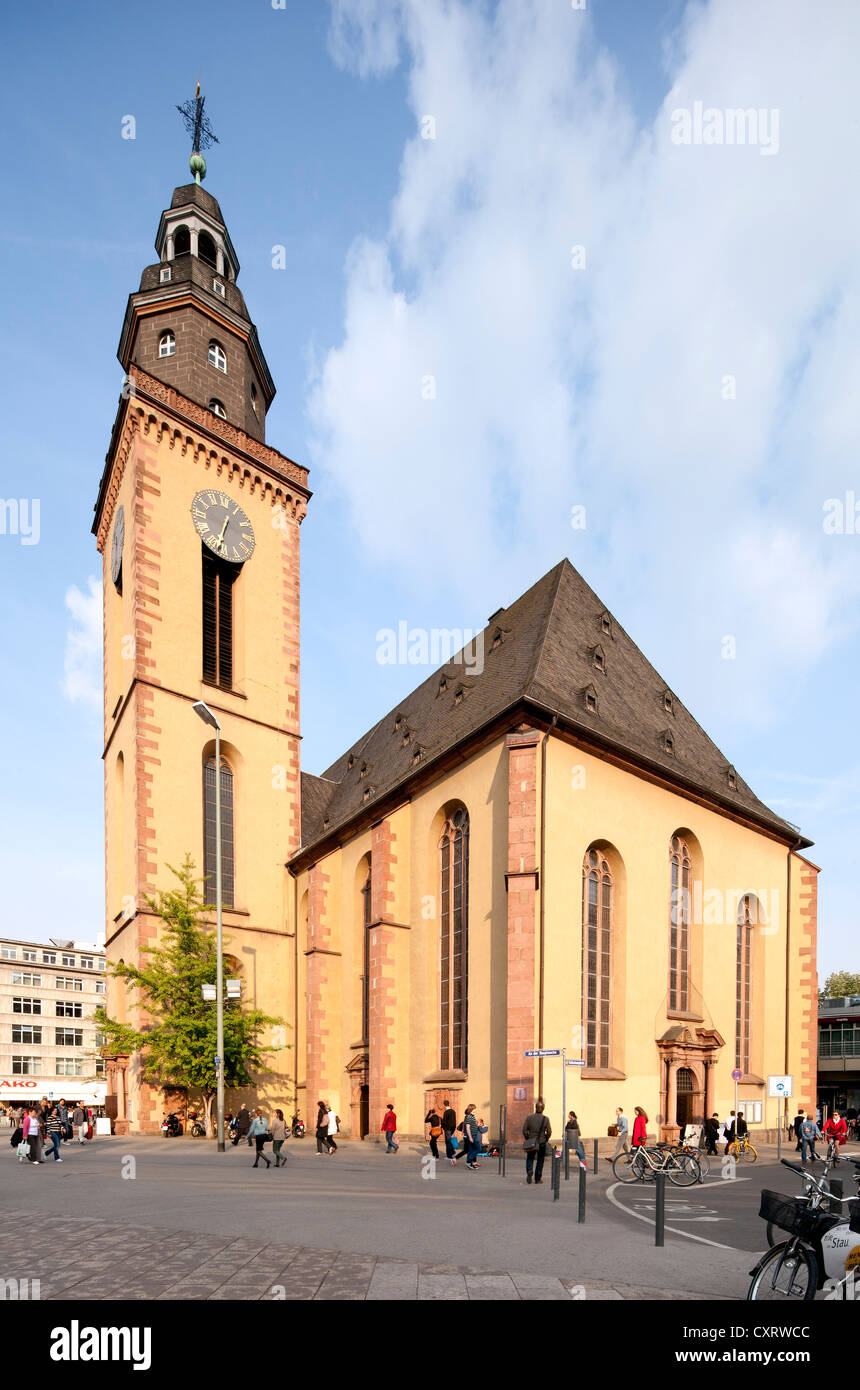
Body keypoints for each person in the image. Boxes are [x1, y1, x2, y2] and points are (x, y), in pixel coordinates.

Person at [522, 1099, 551, 1185]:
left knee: (530, 1158)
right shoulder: (546, 1119)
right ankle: (538, 1178)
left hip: (531, 1141)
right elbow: (549, 1132)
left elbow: (524, 1130)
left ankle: (529, 1170)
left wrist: (528, 1138)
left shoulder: (529, 1118)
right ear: (543, 1109)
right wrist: (546, 1138)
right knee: (540, 1160)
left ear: (535, 1108)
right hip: (541, 1142)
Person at [462, 1104, 481, 1170]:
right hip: (472, 1136)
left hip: (474, 1135)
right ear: (471, 1109)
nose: (476, 1110)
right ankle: (468, 1161)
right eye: (475, 1109)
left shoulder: (472, 1116)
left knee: (471, 1150)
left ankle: (470, 1163)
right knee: (478, 1148)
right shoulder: (469, 1117)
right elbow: (467, 1128)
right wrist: (470, 1137)